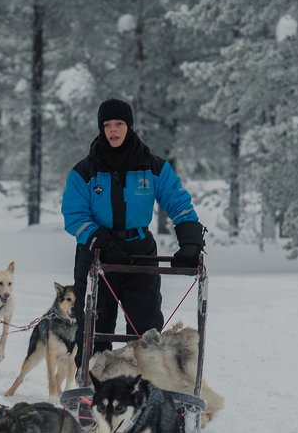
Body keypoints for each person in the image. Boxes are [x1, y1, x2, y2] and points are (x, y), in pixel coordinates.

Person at [61, 98, 205, 355]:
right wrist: (101, 241)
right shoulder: (84, 172)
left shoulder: (152, 167)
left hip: (139, 252)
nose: (113, 130)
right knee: (94, 327)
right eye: (107, 125)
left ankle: (145, 384)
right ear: (100, 128)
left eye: (119, 124)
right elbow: (75, 216)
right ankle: (92, 384)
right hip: (96, 254)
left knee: (145, 329)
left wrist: (190, 242)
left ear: (129, 126)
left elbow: (178, 203)